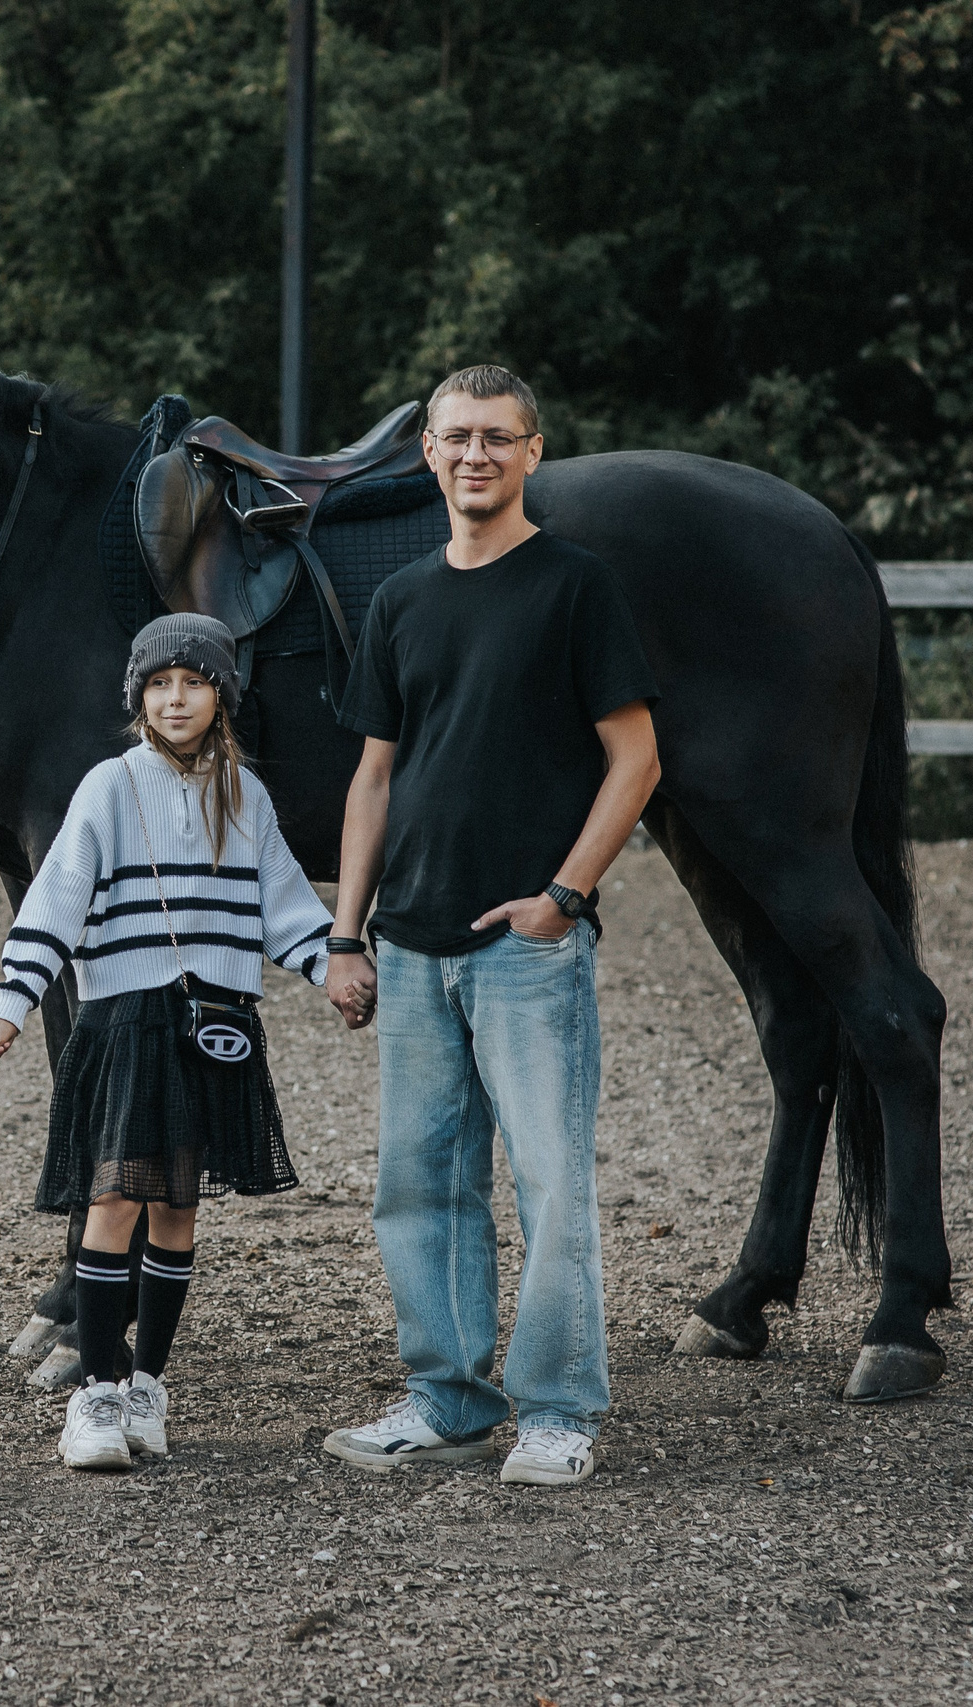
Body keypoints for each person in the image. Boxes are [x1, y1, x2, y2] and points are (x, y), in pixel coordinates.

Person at [318, 366, 660, 1489]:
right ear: (427, 452)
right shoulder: (402, 599)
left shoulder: (576, 586)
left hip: (526, 946)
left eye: (497, 438)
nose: (476, 455)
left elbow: (637, 760)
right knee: (419, 1186)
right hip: (410, 944)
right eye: (457, 437)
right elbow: (373, 778)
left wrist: (564, 897)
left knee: (551, 1184)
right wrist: (346, 933)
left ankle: (557, 1412)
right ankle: (448, 1400)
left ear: (531, 452)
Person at [0, 614, 334, 1472]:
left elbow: (286, 905)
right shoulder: (109, 785)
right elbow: (54, 900)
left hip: (216, 1023)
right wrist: (10, 1003)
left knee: (178, 1209)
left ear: (222, 696)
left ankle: (147, 1389)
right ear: (138, 697)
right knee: (116, 1200)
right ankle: (96, 1391)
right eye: (160, 683)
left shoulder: (245, 796)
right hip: (127, 1020)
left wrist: (337, 967)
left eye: (194, 682)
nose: (176, 698)